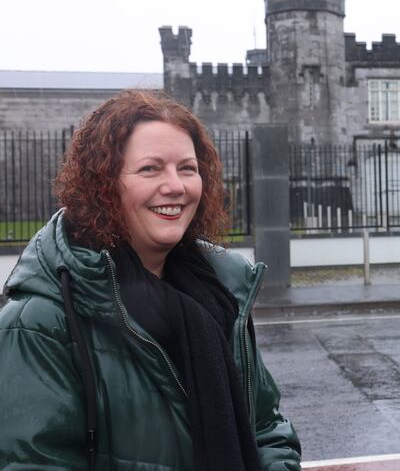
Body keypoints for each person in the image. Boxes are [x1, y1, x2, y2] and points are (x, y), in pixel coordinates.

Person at [0, 90, 302, 470]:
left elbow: (267, 428)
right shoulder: (38, 322)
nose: (175, 185)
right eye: (150, 169)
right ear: (103, 184)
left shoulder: (222, 294)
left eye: (187, 168)